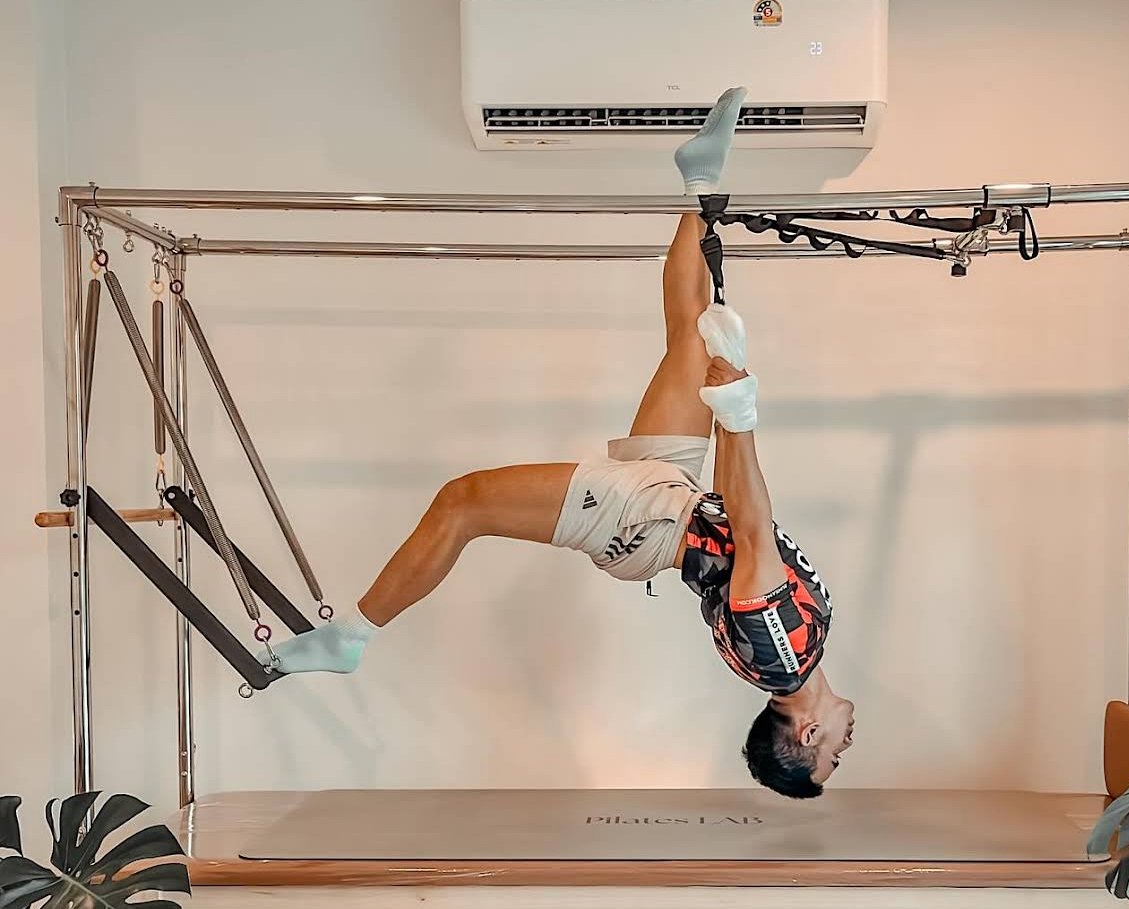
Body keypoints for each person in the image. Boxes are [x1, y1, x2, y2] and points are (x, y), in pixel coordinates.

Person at [264, 88, 855, 798]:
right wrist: (725, 401)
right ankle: (700, 181)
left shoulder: (785, 655)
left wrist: (738, 410)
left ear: (807, 736)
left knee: (464, 502)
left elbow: (752, 528)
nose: (847, 746)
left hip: (649, 522)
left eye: (832, 758)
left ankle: (350, 637)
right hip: (680, 503)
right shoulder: (793, 653)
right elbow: (739, 525)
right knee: (689, 330)